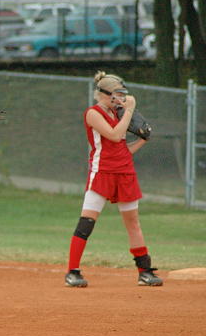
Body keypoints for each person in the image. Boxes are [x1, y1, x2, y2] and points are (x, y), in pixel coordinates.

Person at [65, 71, 163, 288]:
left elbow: (123, 150)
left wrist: (143, 139)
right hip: (102, 172)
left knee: (133, 222)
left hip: (125, 172)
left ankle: (144, 271)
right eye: (117, 94)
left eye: (122, 94)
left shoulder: (118, 115)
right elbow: (115, 135)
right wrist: (129, 111)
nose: (121, 99)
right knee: (87, 221)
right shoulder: (93, 114)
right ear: (103, 94)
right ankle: (72, 272)